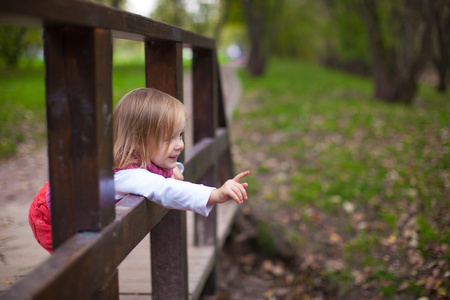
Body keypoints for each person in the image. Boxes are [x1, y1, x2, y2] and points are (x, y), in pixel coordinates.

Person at [29, 87, 249, 253]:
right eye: (168, 138)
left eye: (179, 135)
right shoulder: (130, 174)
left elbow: (159, 172)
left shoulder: (133, 157)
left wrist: (174, 170)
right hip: (53, 217)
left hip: (62, 201)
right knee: (82, 270)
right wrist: (215, 194)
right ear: (138, 140)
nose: (180, 144)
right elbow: (164, 190)